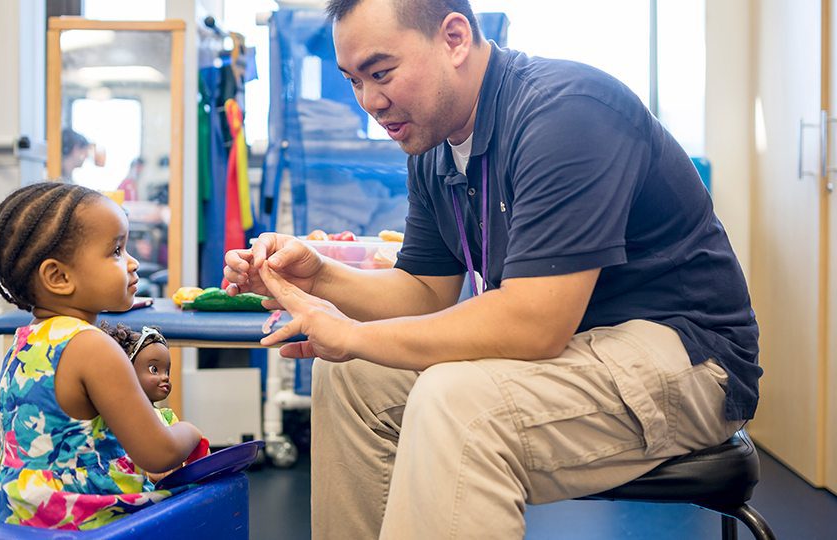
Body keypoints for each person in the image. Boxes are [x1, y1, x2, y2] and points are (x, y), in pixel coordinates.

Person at [223, 1, 760, 538]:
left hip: (687, 357)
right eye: (354, 81)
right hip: (576, 348)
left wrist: (351, 332)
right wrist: (319, 278)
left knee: (458, 403)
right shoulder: (434, 149)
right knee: (348, 375)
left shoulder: (567, 111)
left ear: (454, 38)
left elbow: (533, 323)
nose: (371, 102)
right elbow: (424, 291)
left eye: (381, 73)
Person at [0, 182, 204, 530]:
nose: (132, 263)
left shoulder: (26, 340)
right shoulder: (92, 346)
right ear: (58, 277)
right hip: (68, 517)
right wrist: (187, 431)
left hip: (1, 508)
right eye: (116, 251)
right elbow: (158, 453)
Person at [98, 322, 208, 483]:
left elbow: (177, 452)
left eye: (167, 371)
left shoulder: (168, 418)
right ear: (126, 371)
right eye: (154, 369)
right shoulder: (119, 418)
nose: (165, 377)